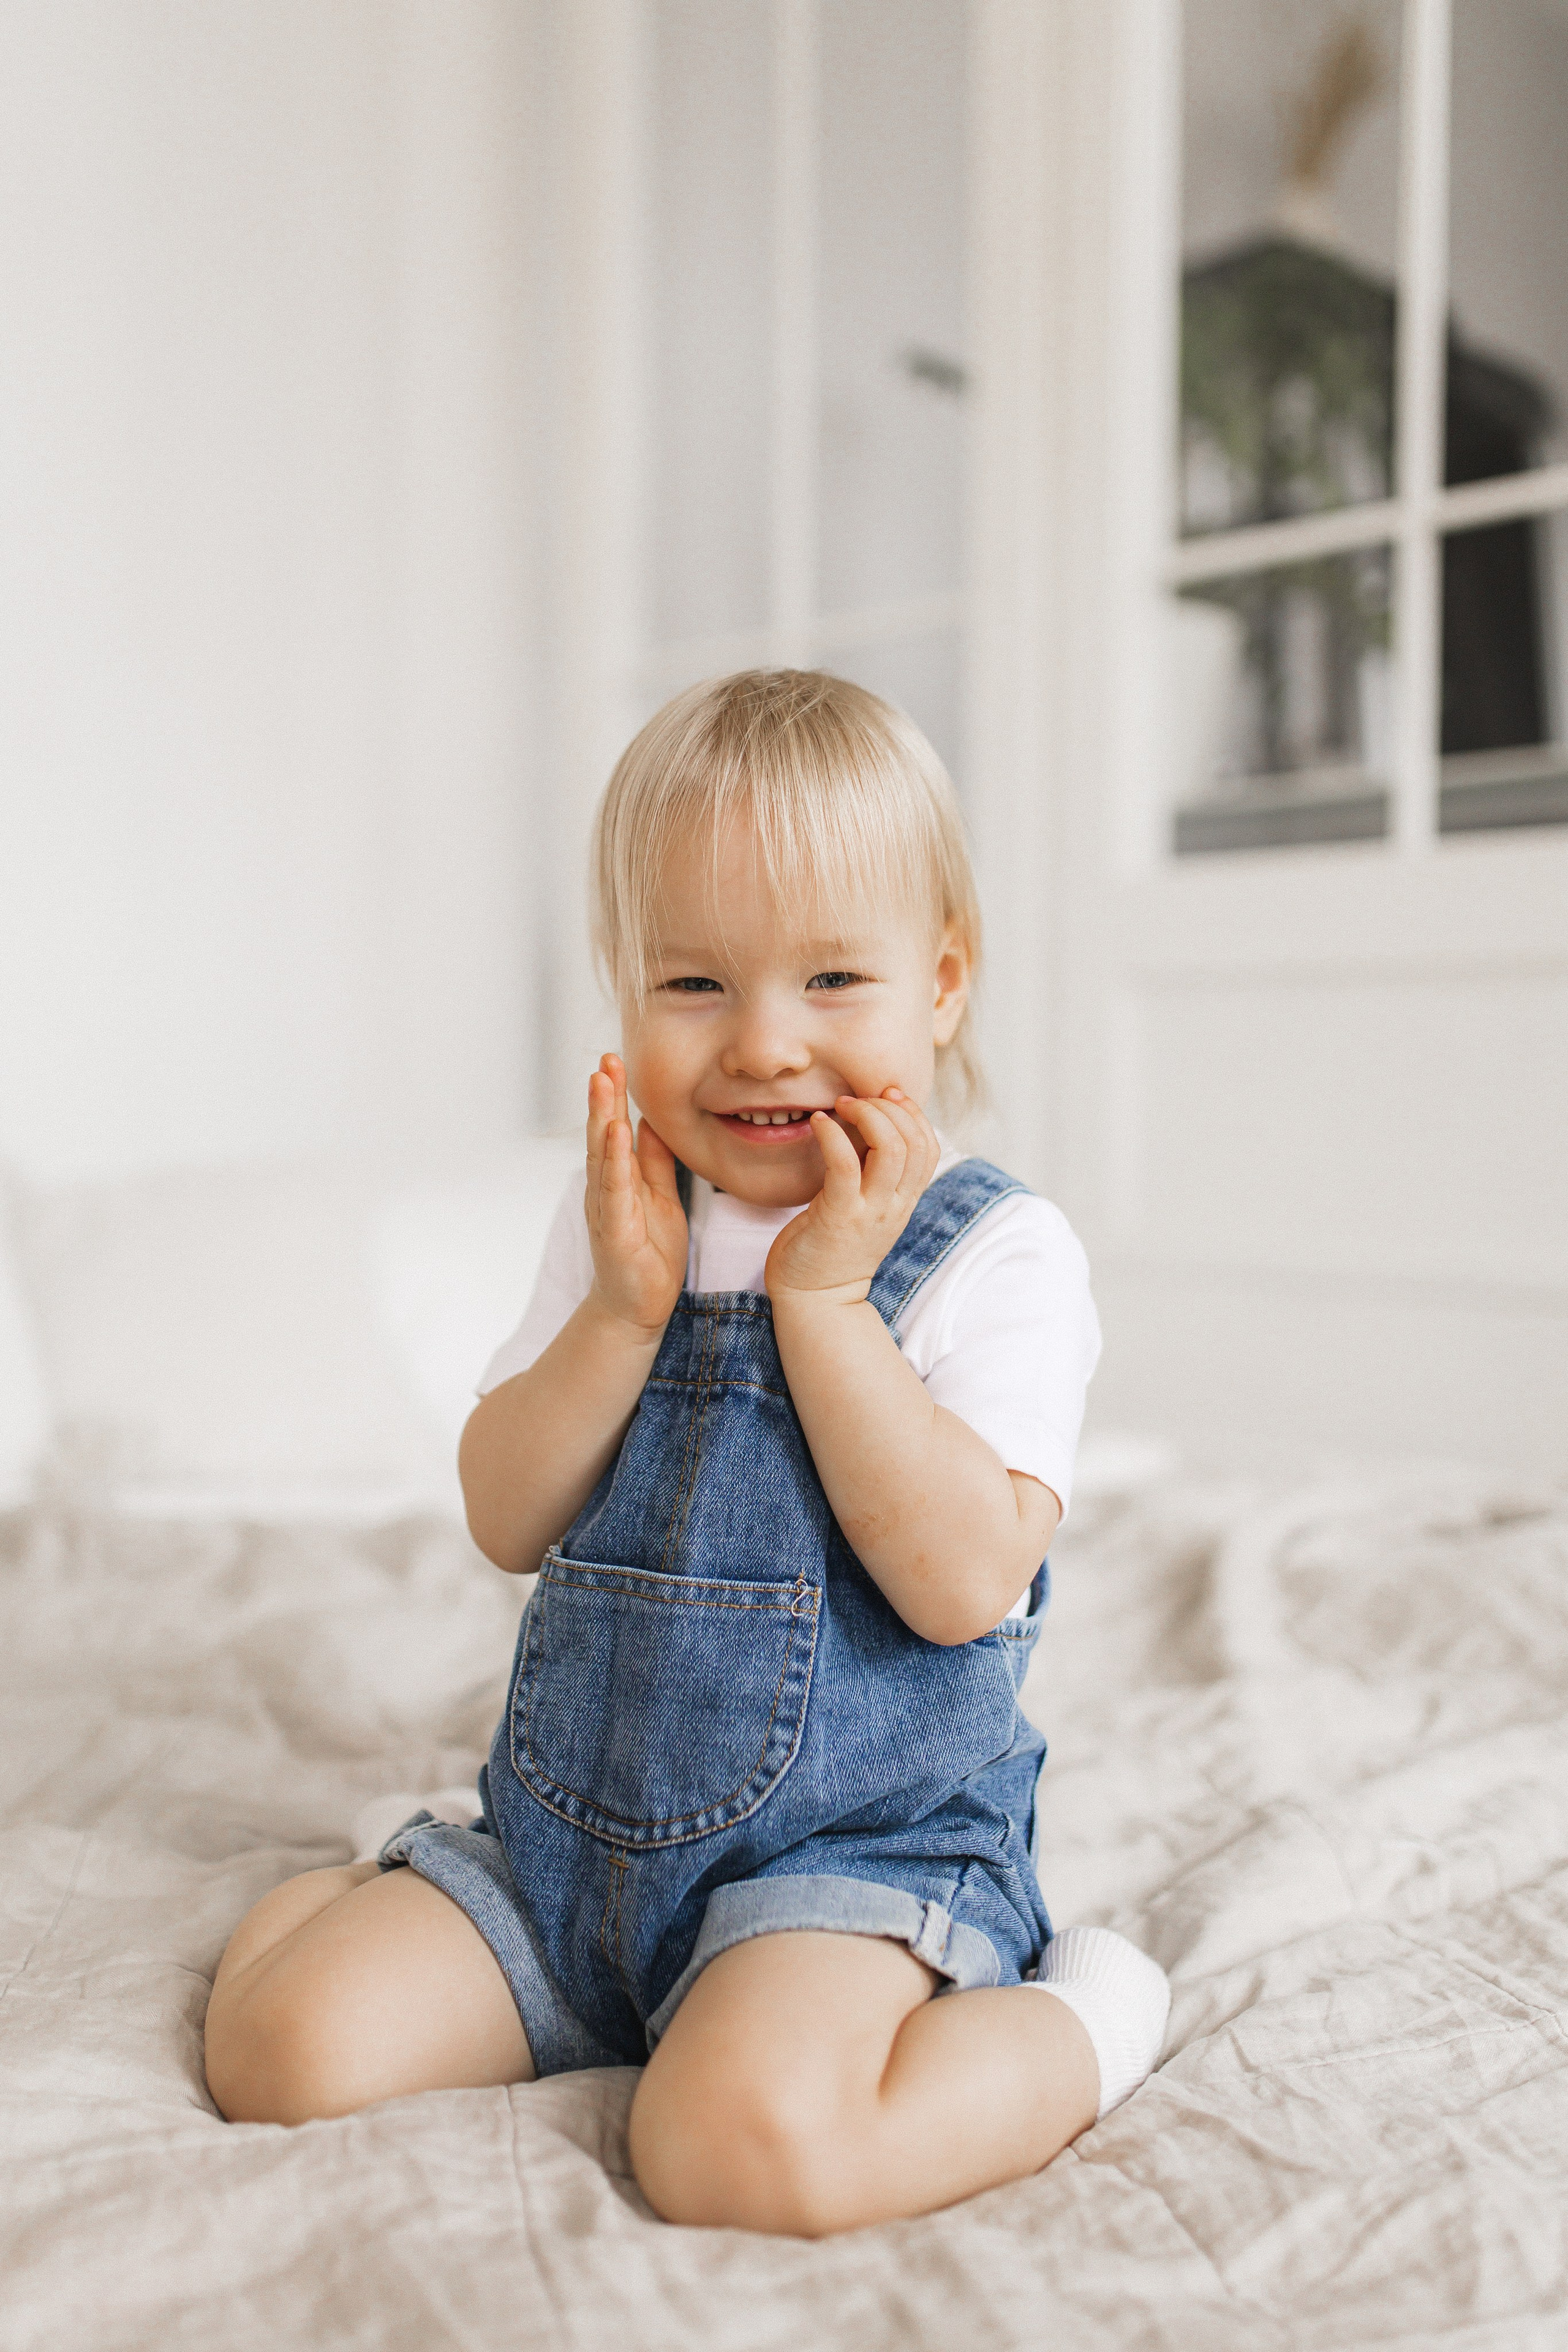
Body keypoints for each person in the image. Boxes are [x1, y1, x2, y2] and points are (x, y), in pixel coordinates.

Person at [204, 670, 1169, 2235]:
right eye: (694, 986)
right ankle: (369, 1891)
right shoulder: (622, 1231)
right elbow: (505, 1515)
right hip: (560, 1855)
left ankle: (1088, 2024)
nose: (764, 1045)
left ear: (942, 981)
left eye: (833, 978)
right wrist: (619, 1311)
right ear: (627, 991)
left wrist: (830, 1303)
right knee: (282, 2055)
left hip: (842, 1866)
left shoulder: (994, 1254)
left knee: (734, 2153)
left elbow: (959, 1582)